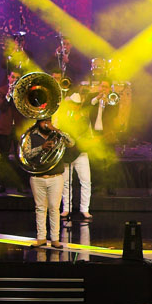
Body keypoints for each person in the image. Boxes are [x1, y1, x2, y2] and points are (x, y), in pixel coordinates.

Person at [22, 115, 67, 249]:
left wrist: (57, 130)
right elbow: (27, 154)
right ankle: (41, 238)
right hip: (38, 177)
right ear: (39, 122)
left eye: (49, 121)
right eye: (44, 122)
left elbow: (72, 142)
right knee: (40, 208)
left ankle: (55, 239)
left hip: (55, 177)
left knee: (54, 208)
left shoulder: (57, 135)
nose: (47, 124)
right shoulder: (31, 135)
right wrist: (41, 147)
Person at [59, 94, 94, 225]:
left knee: (85, 181)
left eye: (77, 104)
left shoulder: (85, 119)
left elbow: (89, 136)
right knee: (66, 182)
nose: (75, 106)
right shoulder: (64, 118)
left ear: (79, 105)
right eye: (73, 103)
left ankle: (84, 209)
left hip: (81, 153)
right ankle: (66, 208)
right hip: (67, 154)